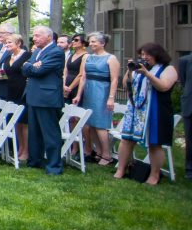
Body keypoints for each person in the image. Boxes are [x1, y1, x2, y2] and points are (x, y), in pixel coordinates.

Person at [115, 43, 178, 185]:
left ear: (158, 55)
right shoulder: (139, 68)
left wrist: (147, 74)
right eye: (142, 54)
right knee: (126, 139)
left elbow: (164, 86)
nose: (144, 57)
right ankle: (120, 170)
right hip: (135, 109)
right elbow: (126, 85)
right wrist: (129, 71)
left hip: (156, 110)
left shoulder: (168, 69)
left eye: (147, 54)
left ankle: (154, 176)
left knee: (154, 143)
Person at [23, 25, 66, 175]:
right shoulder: (37, 51)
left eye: (38, 35)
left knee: (50, 133)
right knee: (34, 132)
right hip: (33, 96)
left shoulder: (56, 52)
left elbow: (39, 71)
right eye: (34, 35)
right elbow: (26, 69)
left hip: (47, 98)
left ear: (49, 37)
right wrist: (29, 66)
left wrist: (30, 66)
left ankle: (54, 166)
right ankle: (35, 161)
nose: (34, 38)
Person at [72, 32, 120, 166]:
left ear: (102, 43)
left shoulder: (111, 58)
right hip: (89, 91)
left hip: (102, 91)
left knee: (100, 124)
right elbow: (83, 77)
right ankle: (98, 151)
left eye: (94, 41)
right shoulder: (88, 57)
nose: (91, 44)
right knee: (90, 123)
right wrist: (78, 95)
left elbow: (114, 80)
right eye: (90, 41)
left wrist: (111, 98)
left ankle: (107, 154)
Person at [0, 33, 31, 162]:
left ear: (18, 43)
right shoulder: (8, 57)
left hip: (23, 91)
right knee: (16, 121)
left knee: (24, 122)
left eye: (10, 42)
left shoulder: (27, 55)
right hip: (10, 91)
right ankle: (19, 148)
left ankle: (26, 150)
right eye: (6, 42)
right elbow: (6, 74)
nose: (7, 45)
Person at [178, 52, 192, 180]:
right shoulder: (185, 60)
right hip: (190, 105)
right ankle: (190, 169)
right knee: (190, 139)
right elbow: (183, 81)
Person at [63, 34, 88, 102]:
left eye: (76, 40)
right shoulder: (70, 55)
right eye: (73, 40)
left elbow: (81, 74)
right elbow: (65, 72)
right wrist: (63, 85)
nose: (73, 41)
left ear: (83, 43)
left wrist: (69, 89)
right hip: (65, 85)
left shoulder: (85, 56)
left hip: (77, 86)